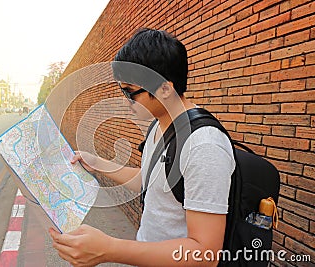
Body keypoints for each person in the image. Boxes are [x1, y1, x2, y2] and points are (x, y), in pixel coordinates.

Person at [49, 28, 235, 267]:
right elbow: (149, 182)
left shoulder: (204, 146)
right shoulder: (159, 125)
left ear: (165, 89)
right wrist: (97, 163)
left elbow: (204, 253)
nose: (125, 101)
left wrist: (109, 249)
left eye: (129, 92)